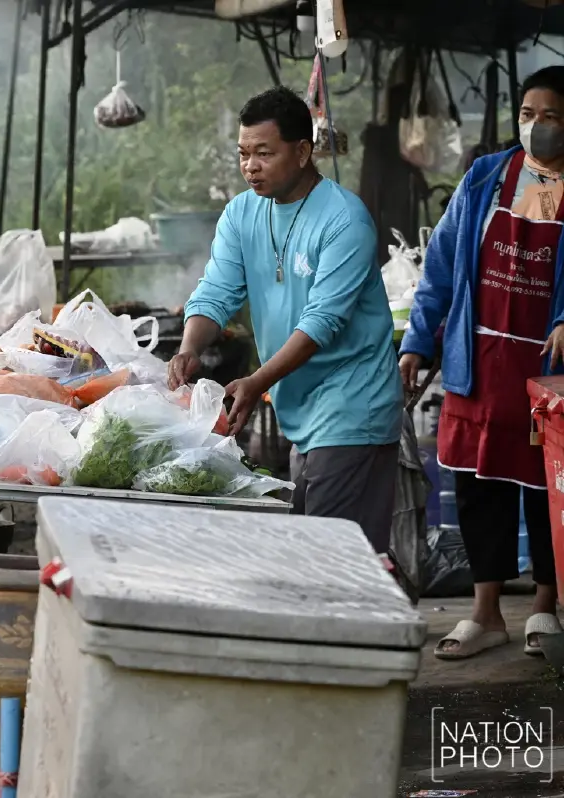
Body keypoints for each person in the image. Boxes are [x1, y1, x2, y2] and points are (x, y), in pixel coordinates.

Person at [169, 86, 402, 554]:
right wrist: (188, 348)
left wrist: (255, 382)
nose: (250, 166)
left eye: (263, 153)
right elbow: (216, 291)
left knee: (334, 559)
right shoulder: (241, 213)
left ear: (301, 151)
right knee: (319, 555)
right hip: (302, 409)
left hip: (353, 403)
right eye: (243, 153)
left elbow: (322, 322)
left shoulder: (345, 219)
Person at [399, 66, 564, 661]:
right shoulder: (486, 178)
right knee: (477, 488)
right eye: (527, 114)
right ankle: (486, 613)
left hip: (549, 371)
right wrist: (418, 341)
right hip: (480, 362)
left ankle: (545, 608)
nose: (535, 126)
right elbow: (440, 266)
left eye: (549, 116)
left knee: (549, 490)